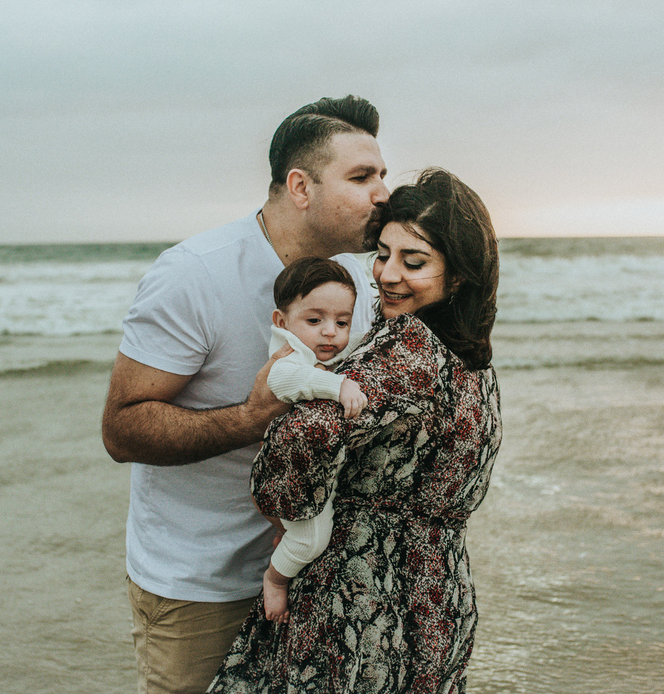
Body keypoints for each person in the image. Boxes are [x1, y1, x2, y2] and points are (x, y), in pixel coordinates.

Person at [101, 95, 389, 694]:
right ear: (300, 186)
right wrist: (252, 417)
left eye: (382, 175)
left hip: (319, 571)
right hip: (201, 582)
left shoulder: (365, 279)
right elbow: (122, 431)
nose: (382, 193)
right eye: (362, 178)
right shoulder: (195, 275)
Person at [208, 168, 503, 694]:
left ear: (458, 276)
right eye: (383, 254)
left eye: (413, 262)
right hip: (439, 592)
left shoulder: (409, 349)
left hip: (360, 590)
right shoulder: (475, 364)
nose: (388, 275)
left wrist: (281, 500)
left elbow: (303, 440)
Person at [262, 256, 369, 623]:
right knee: (311, 540)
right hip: (292, 473)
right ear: (282, 321)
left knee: (307, 534)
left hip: (310, 470)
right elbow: (283, 380)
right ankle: (275, 581)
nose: (330, 332)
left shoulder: (315, 347)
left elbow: (356, 343)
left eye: (342, 322)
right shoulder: (289, 354)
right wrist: (338, 384)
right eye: (314, 320)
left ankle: (287, 548)